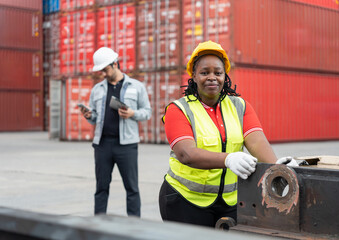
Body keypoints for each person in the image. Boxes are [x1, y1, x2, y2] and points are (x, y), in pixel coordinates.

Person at [158, 40, 297, 227]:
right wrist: (228, 159)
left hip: (230, 203)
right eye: (204, 72)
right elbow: (186, 154)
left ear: (225, 76)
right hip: (185, 201)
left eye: (218, 72)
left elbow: (256, 143)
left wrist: (278, 170)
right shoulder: (178, 109)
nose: (212, 77)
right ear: (194, 76)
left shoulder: (240, 106)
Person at [80, 47, 152, 216]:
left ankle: (134, 228)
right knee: (101, 188)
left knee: (132, 188)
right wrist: (89, 115)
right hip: (102, 145)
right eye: (101, 71)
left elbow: (147, 112)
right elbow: (96, 117)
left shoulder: (136, 86)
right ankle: (98, 225)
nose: (103, 74)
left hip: (126, 146)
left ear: (115, 64)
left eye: (105, 69)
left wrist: (132, 113)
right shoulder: (97, 89)